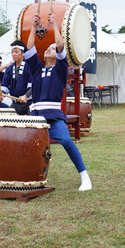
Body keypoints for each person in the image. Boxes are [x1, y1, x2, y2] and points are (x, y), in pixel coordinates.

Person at [26, 12, 92, 191]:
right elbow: (30, 46)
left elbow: (61, 44)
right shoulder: (36, 68)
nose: (49, 48)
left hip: (54, 115)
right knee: (25, 143)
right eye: (47, 48)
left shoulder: (60, 70)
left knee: (65, 140)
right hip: (36, 115)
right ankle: (27, 175)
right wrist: (33, 27)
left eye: (52, 49)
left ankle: (84, 176)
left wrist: (55, 25)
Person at [3, 40, 33, 115]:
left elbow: (34, 85)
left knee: (33, 123)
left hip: (29, 103)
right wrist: (2, 93)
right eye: (12, 52)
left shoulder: (30, 66)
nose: (13, 54)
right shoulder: (9, 68)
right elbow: (5, 85)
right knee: (7, 123)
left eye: (16, 52)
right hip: (15, 104)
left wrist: (26, 96)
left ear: (23, 53)